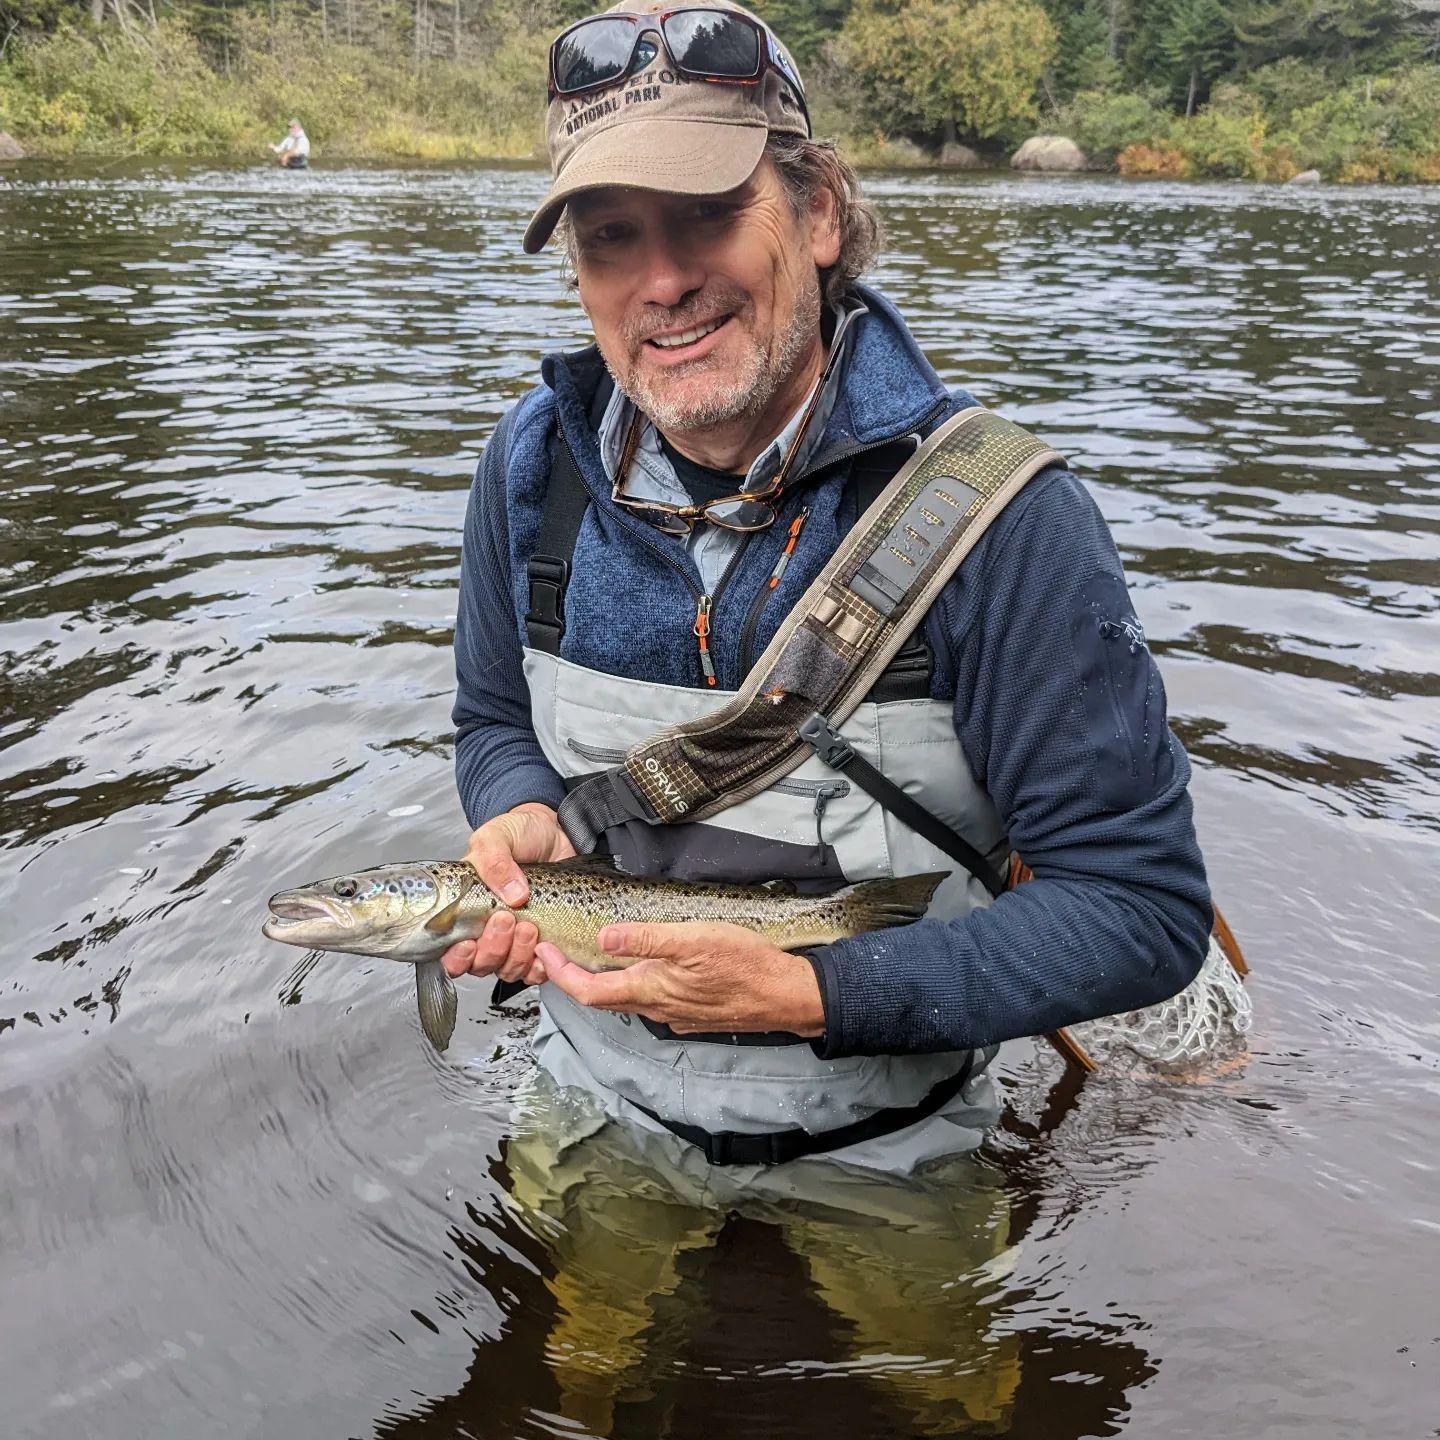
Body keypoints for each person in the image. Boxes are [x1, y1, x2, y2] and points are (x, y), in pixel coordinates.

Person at [447, 0, 1211, 1179]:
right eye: (608, 238)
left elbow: (1138, 909)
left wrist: (815, 993)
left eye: (706, 216)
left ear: (816, 215)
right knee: (557, 1371)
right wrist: (517, 803)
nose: (660, 281)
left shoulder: (1006, 521)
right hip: (594, 1107)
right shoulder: (526, 470)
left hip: (895, 1149)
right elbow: (495, 719)